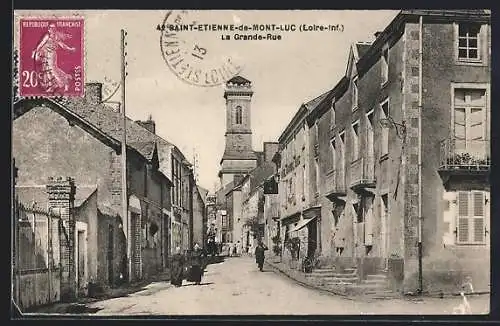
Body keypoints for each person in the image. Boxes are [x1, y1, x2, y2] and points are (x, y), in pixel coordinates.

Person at [32, 23, 76, 93]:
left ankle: (64, 81)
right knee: (48, 70)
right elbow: (41, 44)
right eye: (51, 28)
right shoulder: (47, 36)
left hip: (52, 54)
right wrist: (36, 51)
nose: (53, 30)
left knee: (52, 69)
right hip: (45, 55)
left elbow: (62, 45)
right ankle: (54, 84)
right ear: (49, 29)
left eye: (54, 28)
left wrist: (70, 49)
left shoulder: (56, 37)